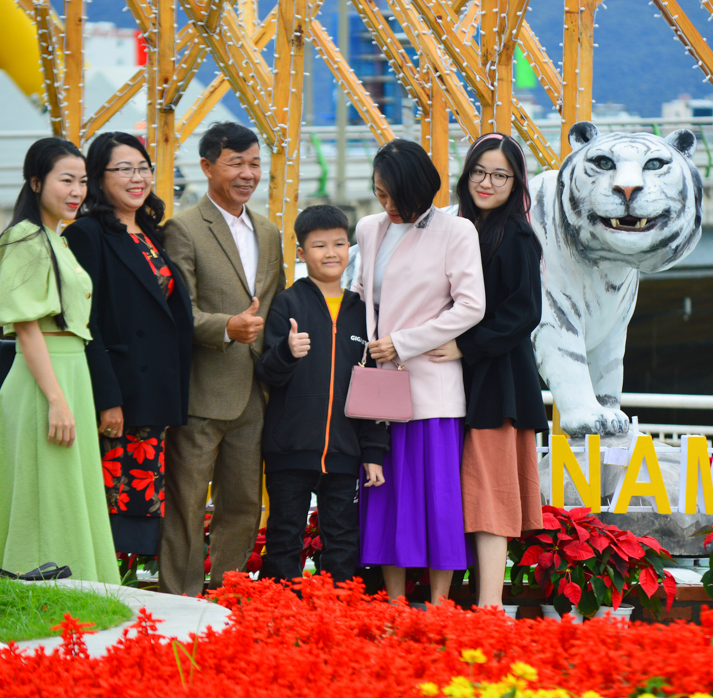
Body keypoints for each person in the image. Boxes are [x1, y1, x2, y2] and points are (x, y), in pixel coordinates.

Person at [0, 137, 120, 584]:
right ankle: (46, 595)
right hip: (46, 377)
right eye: (65, 180)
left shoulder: (53, 238)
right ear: (36, 182)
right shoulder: (23, 238)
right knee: (49, 492)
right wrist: (56, 398)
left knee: (62, 490)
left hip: (67, 371)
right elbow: (27, 328)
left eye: (82, 181)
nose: (77, 190)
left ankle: (75, 590)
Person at [354, 139, 486, 605]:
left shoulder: (457, 231)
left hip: (432, 386)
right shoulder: (369, 228)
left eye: (394, 197)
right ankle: (392, 604)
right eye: (379, 194)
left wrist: (406, 342)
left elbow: (472, 306)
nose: (386, 206)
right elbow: (361, 298)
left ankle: (438, 606)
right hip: (381, 387)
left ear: (419, 191)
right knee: (385, 498)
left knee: (438, 503)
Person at [160, 122, 286, 595]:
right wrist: (225, 328)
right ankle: (181, 599)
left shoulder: (270, 232)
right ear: (208, 166)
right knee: (187, 502)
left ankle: (226, 594)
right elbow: (178, 314)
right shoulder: (183, 228)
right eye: (236, 163)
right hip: (200, 390)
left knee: (244, 503)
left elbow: (276, 308)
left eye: (254, 163)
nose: (248, 173)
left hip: (256, 392)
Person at [425, 133, 546, 609]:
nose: (486, 182)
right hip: (459, 376)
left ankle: (490, 609)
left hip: (496, 380)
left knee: (489, 495)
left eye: (500, 174)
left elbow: (524, 312)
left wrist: (464, 347)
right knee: (463, 492)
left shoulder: (514, 233)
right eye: (479, 171)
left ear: (516, 183)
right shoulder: (458, 226)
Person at [63, 132, 193, 557]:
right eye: (125, 169)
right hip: (121, 396)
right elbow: (89, 322)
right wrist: (108, 399)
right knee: (113, 500)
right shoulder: (87, 234)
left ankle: (127, 592)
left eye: (143, 168)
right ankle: (101, 590)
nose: (138, 178)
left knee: (141, 501)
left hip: (153, 394)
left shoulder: (149, 231)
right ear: (99, 178)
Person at [256, 205, 389, 584]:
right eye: (319, 246)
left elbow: (373, 388)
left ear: (350, 248)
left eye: (339, 243)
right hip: (290, 450)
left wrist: (374, 452)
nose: (331, 253)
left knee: (343, 539)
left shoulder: (363, 312)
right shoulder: (287, 304)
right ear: (301, 253)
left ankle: (338, 613)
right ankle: (278, 613)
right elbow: (267, 372)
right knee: (284, 537)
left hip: (345, 453)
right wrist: (286, 351)